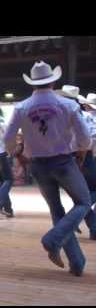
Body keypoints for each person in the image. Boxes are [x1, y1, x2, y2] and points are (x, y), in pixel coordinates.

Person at [4, 61, 91, 277]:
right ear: (53, 81)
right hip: (63, 161)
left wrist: (18, 154)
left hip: (38, 164)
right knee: (84, 202)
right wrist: (81, 151)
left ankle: (77, 262)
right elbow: (85, 137)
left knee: (56, 209)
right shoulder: (68, 105)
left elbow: (8, 137)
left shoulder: (21, 107)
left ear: (33, 84)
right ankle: (53, 239)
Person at [55, 85, 96, 238]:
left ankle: (91, 228)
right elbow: (86, 140)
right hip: (83, 157)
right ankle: (73, 219)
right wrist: (81, 158)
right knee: (85, 196)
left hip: (64, 158)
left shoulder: (57, 117)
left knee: (81, 196)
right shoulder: (83, 116)